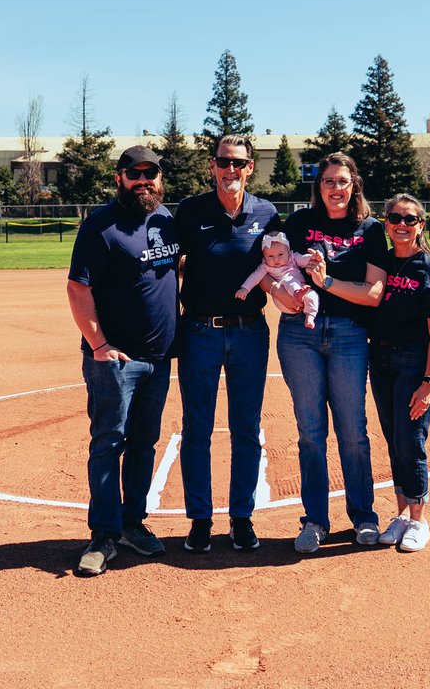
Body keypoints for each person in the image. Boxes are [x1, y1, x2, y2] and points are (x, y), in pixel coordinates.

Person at [66, 146, 180, 576]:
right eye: (135, 174)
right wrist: (99, 345)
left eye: (151, 173)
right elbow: (78, 290)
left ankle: (133, 523)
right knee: (108, 442)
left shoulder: (166, 219)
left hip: (159, 356)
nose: (143, 180)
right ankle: (103, 535)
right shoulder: (100, 225)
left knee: (143, 443)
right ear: (119, 178)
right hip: (114, 359)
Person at [174, 134, 281, 552]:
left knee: (245, 429)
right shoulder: (191, 211)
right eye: (223, 161)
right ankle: (200, 519)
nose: (230, 169)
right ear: (213, 165)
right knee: (196, 428)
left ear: (250, 167)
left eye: (238, 163)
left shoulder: (267, 213)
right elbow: (168, 261)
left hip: (249, 331)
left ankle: (241, 518)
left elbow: (279, 266)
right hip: (199, 331)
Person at [275, 152, 386, 553]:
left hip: (349, 335)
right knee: (310, 433)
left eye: (342, 181)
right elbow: (274, 268)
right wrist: (276, 293)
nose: (335, 189)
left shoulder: (370, 229)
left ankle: (364, 517)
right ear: (318, 186)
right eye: (328, 182)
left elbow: (373, 294)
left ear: (353, 184)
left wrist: (326, 282)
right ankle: (315, 521)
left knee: (354, 431)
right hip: (298, 335)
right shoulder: (300, 224)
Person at [369, 194, 430, 552]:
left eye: (411, 219)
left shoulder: (428, 268)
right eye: (395, 218)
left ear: (421, 225)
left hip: (414, 363)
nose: (402, 224)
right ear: (386, 223)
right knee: (393, 438)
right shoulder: (383, 263)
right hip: (382, 361)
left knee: (410, 440)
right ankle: (401, 515)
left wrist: (428, 382)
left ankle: (419, 520)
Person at [235, 231, 319, 329]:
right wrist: (245, 288)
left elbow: (304, 260)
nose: (276, 259)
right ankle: (297, 293)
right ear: (264, 256)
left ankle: (310, 317)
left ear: (288, 251)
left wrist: (313, 257)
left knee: (312, 295)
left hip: (301, 297)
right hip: (284, 299)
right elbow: (255, 276)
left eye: (280, 254)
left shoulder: (292, 257)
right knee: (289, 280)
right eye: (270, 256)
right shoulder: (265, 266)